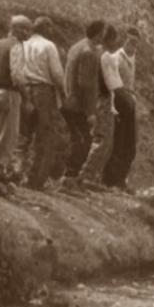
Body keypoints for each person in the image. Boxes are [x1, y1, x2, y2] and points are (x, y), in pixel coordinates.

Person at [0, 15, 31, 196]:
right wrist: (26, 98)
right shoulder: (16, 46)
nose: (28, 33)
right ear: (17, 29)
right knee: (7, 137)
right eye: (26, 29)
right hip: (8, 93)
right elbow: (17, 77)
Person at [21, 16, 67, 190]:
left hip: (24, 89)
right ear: (46, 28)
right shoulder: (48, 46)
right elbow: (57, 74)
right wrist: (63, 93)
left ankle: (16, 173)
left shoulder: (23, 44)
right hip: (43, 91)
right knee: (45, 135)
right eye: (50, 27)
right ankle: (36, 180)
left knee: (24, 133)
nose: (52, 31)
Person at [61, 20, 107, 190]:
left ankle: (69, 177)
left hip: (68, 99)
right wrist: (91, 112)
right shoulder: (88, 52)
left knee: (76, 138)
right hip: (78, 104)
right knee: (83, 140)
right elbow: (86, 84)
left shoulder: (77, 47)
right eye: (102, 33)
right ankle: (69, 178)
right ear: (98, 34)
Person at [78, 24, 122, 189]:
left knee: (103, 139)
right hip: (103, 100)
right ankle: (87, 175)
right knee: (103, 139)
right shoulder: (105, 56)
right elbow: (113, 83)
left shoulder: (96, 53)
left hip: (100, 98)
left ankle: (91, 176)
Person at [101, 26, 139, 192]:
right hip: (119, 101)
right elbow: (114, 84)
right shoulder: (116, 57)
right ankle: (111, 180)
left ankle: (120, 180)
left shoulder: (133, 58)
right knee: (119, 141)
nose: (132, 45)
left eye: (136, 42)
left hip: (129, 101)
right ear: (124, 40)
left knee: (130, 143)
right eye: (130, 41)